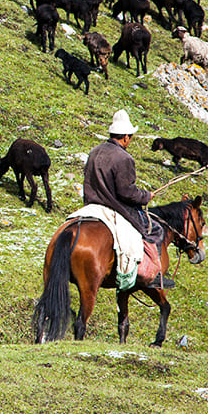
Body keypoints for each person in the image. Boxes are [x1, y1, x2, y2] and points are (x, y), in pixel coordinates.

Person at [83, 109, 173, 289]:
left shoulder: (94, 151)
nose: (130, 141)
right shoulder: (124, 158)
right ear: (125, 137)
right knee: (154, 230)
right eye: (130, 137)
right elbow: (127, 192)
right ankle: (153, 275)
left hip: (90, 205)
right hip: (115, 208)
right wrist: (146, 196)